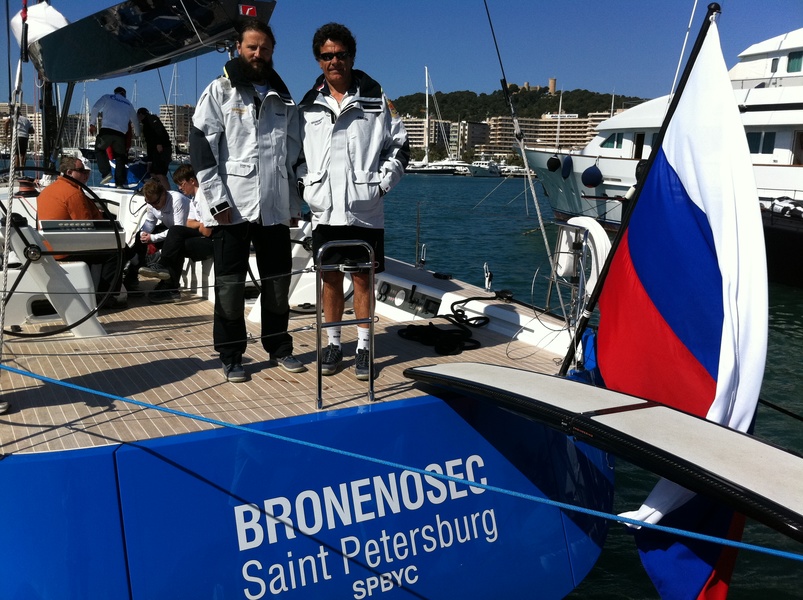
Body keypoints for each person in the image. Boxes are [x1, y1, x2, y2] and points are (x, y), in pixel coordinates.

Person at [190, 17, 305, 383]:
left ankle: (278, 345)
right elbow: (201, 149)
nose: (258, 53)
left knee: (277, 282)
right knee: (229, 285)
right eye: (252, 47)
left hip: (273, 208)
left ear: (272, 52)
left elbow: (293, 156)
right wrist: (217, 202)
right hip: (231, 210)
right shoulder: (220, 91)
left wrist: (292, 207)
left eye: (265, 48)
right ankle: (231, 354)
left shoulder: (284, 99)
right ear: (239, 48)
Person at [297, 22, 409, 381]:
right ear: (318, 61)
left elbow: (401, 146)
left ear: (351, 56)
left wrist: (381, 184)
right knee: (329, 280)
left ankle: (363, 346)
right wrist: (305, 187)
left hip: (364, 208)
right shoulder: (308, 104)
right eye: (327, 56)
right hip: (324, 208)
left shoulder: (377, 99)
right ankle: (332, 343)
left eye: (340, 55)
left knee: (362, 280)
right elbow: (295, 154)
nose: (334, 61)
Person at [36, 155, 126, 309]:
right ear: (70, 172)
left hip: (49, 246)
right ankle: (106, 297)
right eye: (82, 171)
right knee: (117, 252)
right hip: (65, 250)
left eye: (87, 172)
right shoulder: (73, 193)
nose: (87, 175)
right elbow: (87, 227)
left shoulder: (48, 191)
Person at [139, 164, 214, 304]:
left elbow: (207, 231)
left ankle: (166, 275)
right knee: (174, 238)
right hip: (197, 236)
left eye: (182, 184)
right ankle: (167, 285)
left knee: (175, 234)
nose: (180, 188)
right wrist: (199, 224)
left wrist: (198, 225)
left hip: (212, 242)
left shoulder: (204, 199)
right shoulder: (194, 200)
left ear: (192, 181)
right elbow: (189, 223)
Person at [124, 178, 189, 296]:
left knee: (173, 243)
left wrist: (152, 238)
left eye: (156, 202)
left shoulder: (177, 200)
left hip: (185, 231)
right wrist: (144, 234)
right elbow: (149, 223)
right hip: (170, 229)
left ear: (164, 193)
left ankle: (170, 285)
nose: (154, 206)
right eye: (150, 203)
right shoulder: (152, 203)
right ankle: (135, 272)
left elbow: (178, 230)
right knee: (140, 236)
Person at [89, 86, 140, 188]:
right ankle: (119, 183)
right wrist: (138, 134)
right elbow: (135, 120)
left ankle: (106, 173)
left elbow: (95, 108)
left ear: (115, 92)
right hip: (120, 135)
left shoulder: (107, 97)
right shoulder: (128, 104)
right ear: (123, 93)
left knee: (99, 149)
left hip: (107, 131)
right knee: (120, 157)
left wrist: (92, 124)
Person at [137, 107, 173, 191]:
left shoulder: (152, 118)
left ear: (141, 114)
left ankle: (169, 193)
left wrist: (159, 143)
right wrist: (149, 161)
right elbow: (149, 144)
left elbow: (159, 130)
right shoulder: (145, 126)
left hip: (163, 149)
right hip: (154, 152)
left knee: (160, 174)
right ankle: (161, 190)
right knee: (153, 172)